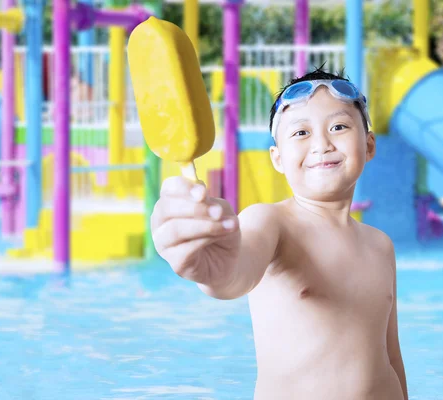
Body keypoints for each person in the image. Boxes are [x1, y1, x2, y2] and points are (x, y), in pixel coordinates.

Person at [150, 68, 408, 400]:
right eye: (300, 133)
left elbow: (391, 353)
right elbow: (235, 272)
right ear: (278, 158)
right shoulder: (271, 222)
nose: (321, 144)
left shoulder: (380, 245)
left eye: (339, 127)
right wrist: (213, 270)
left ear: (369, 145)